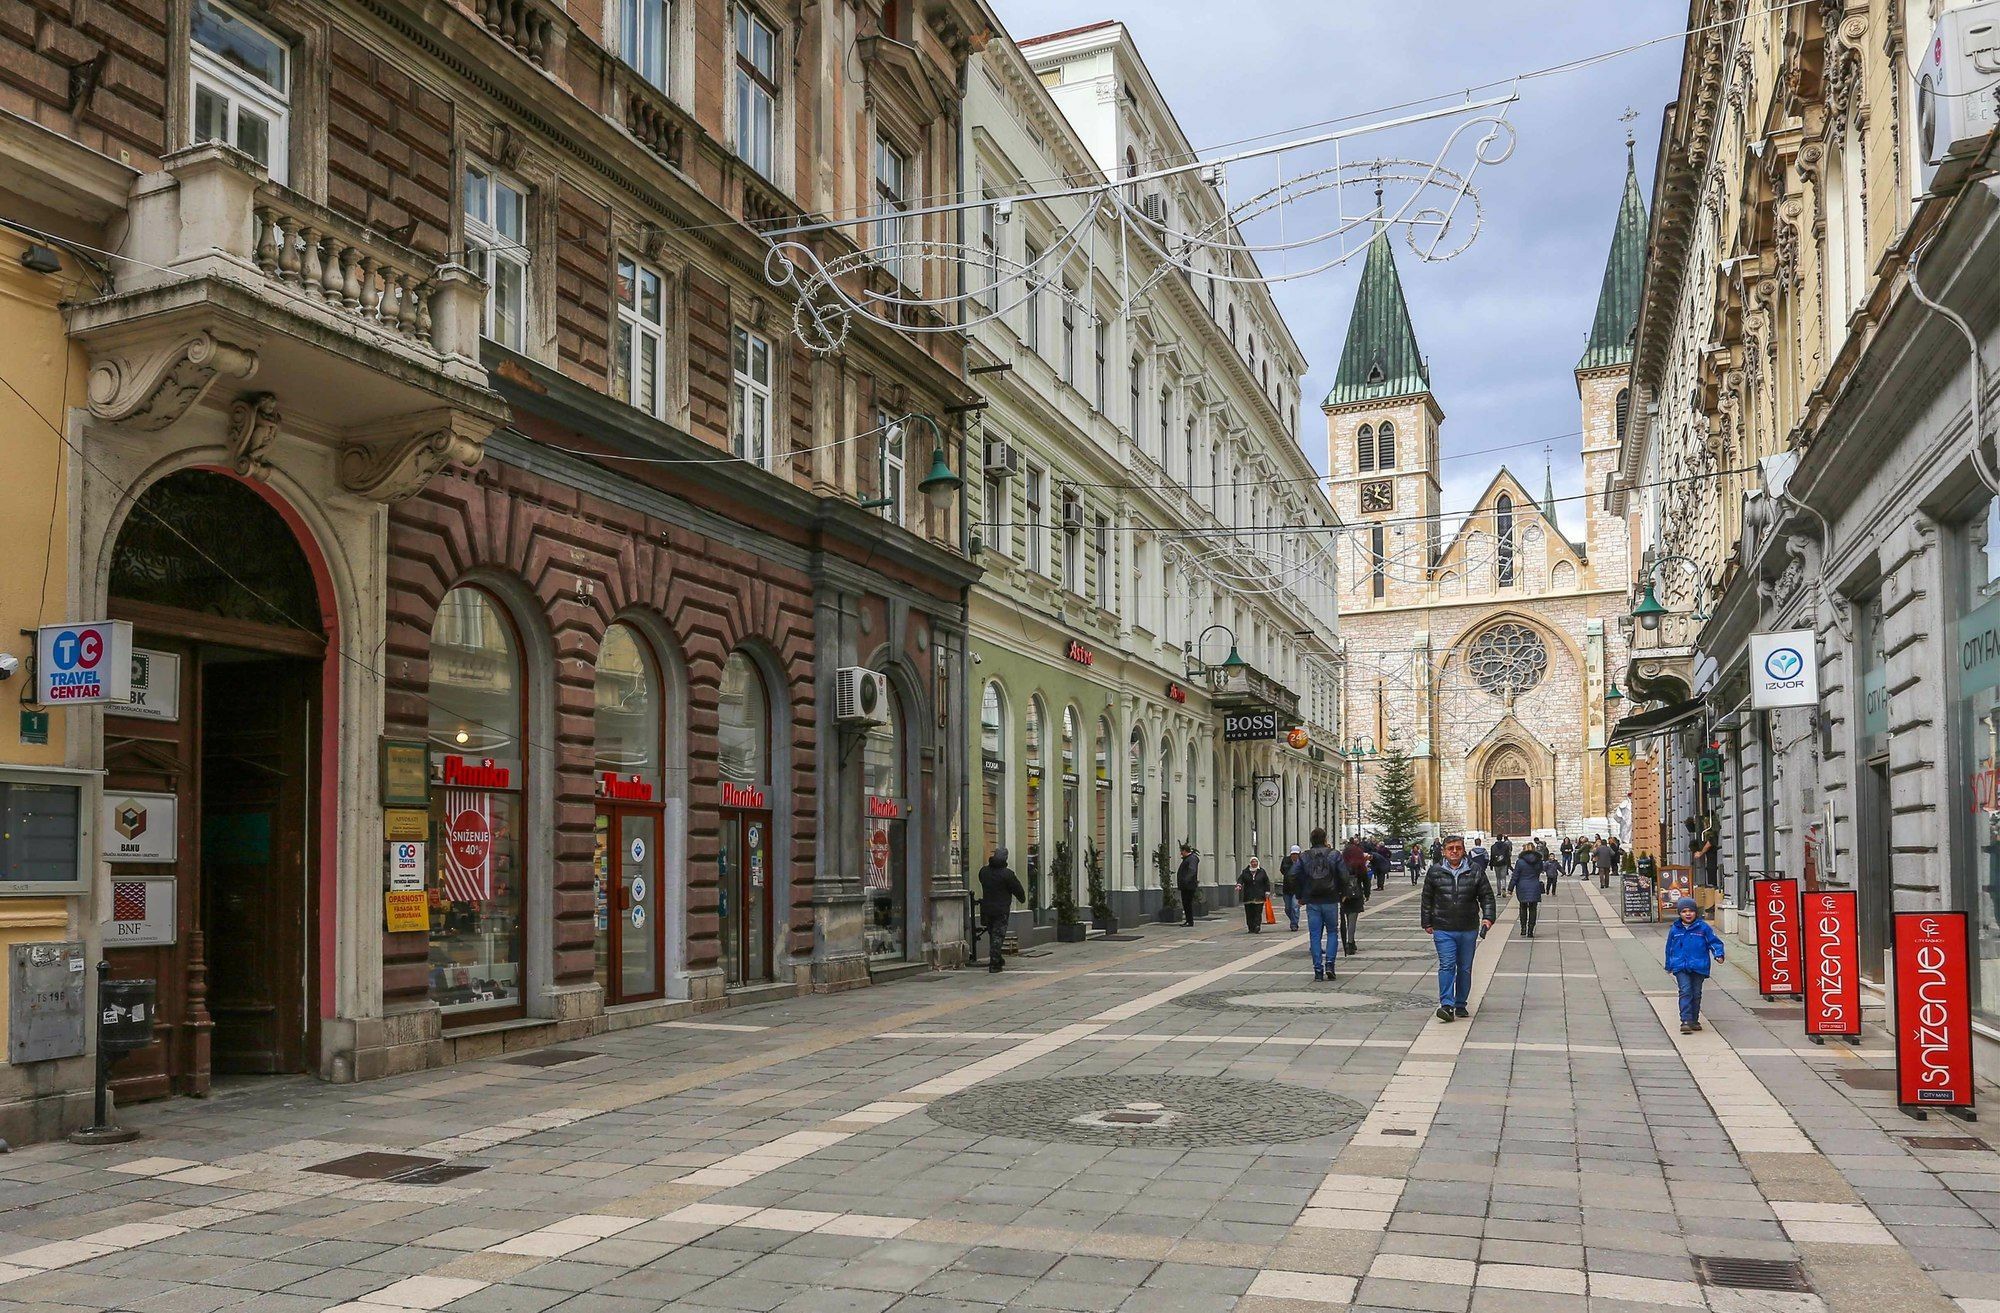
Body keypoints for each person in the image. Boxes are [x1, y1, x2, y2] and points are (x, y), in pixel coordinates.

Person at [1421, 834, 1496, 1022]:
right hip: (1443, 927)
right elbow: (1427, 898)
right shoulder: (1435, 871)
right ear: (1444, 851)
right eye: (1450, 848)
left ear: (1464, 850)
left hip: (1467, 927)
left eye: (1458, 848)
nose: (1454, 851)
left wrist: (1488, 917)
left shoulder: (1475, 870)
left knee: (1464, 968)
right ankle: (1446, 1004)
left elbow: (1486, 895)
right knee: (1447, 965)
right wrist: (1427, 922)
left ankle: (1460, 1003)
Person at [1664, 896, 1725, 1033]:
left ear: (1695, 912)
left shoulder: (1703, 928)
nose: (1688, 914)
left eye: (1690, 911)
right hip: (1680, 966)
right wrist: (1669, 965)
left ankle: (1694, 1019)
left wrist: (1718, 955)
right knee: (1685, 991)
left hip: (1699, 965)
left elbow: (1714, 942)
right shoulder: (1675, 929)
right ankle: (1685, 1020)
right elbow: (1670, 948)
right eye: (1684, 911)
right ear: (1679, 913)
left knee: (1696, 993)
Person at [1299, 827, 1345, 981]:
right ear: (1325, 839)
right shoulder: (1334, 854)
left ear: (1311, 840)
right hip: (1331, 899)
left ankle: (1318, 969)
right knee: (1332, 932)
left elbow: (1292, 875)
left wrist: (1300, 895)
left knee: (1315, 934)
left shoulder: (1305, 856)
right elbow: (1344, 875)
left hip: (1312, 900)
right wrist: (1343, 893)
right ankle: (1330, 964)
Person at [977, 848, 1027, 973]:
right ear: (1005, 858)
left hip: (987, 909)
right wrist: (1022, 898)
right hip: (1001, 910)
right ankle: (994, 964)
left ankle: (997, 958)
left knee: (992, 934)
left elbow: (981, 880)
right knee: (998, 936)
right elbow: (1017, 889)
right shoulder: (1007, 874)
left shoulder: (984, 872)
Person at [1507, 842, 1547, 937]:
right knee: (1533, 908)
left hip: (1522, 886)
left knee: (1523, 907)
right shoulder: (1538, 860)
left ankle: (1523, 928)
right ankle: (1530, 930)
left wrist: (1510, 888)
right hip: (1534, 885)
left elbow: (1515, 875)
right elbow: (1540, 870)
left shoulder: (1520, 861)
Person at [1340, 840, 1371, 956]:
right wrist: (1367, 894)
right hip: (1356, 894)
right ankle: (1350, 942)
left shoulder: (1342, 864)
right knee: (1352, 919)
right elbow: (1366, 880)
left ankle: (1349, 941)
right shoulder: (1359, 865)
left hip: (1344, 895)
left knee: (1347, 918)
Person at [1237, 857, 1271, 934]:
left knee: (1258, 912)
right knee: (1249, 913)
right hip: (1248, 896)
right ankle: (1250, 927)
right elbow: (1241, 879)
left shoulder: (1262, 871)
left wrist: (1267, 891)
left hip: (1259, 895)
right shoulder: (1245, 872)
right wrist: (1239, 885)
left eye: (1255, 862)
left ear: (1258, 863)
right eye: (1252, 862)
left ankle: (1257, 926)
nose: (1254, 863)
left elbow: (1266, 882)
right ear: (1250, 863)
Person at [1175, 843, 1201, 926]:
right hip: (1186, 886)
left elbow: (1192, 871)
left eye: (1181, 851)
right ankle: (1188, 920)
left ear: (1185, 851)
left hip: (1188, 886)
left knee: (1187, 903)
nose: (1181, 853)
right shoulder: (1188, 859)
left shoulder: (1191, 859)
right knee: (1186, 904)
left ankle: (1190, 921)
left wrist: (1185, 880)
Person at [1279, 845, 1304, 931]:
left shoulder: (1301, 862)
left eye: (1296, 854)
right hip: (1287, 888)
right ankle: (1293, 919)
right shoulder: (1286, 860)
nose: (1294, 856)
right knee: (1287, 908)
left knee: (1295, 907)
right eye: (1293, 854)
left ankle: (1294, 924)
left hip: (1297, 889)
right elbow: (1282, 870)